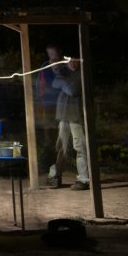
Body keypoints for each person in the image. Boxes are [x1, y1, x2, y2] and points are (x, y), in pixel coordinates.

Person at [48, 57, 90, 190]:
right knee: (61, 147)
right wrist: (65, 83)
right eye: (70, 60)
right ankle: (56, 175)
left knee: (80, 146)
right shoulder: (64, 72)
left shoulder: (82, 74)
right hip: (63, 115)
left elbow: (74, 91)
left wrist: (63, 83)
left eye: (76, 60)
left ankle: (84, 179)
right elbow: (54, 84)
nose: (72, 63)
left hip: (76, 116)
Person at [36, 45, 64, 182]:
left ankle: (56, 172)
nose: (52, 56)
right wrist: (40, 103)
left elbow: (61, 84)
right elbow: (39, 86)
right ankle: (49, 170)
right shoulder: (45, 66)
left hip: (62, 106)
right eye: (50, 53)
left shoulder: (64, 66)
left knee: (61, 140)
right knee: (49, 139)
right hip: (47, 107)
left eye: (54, 53)